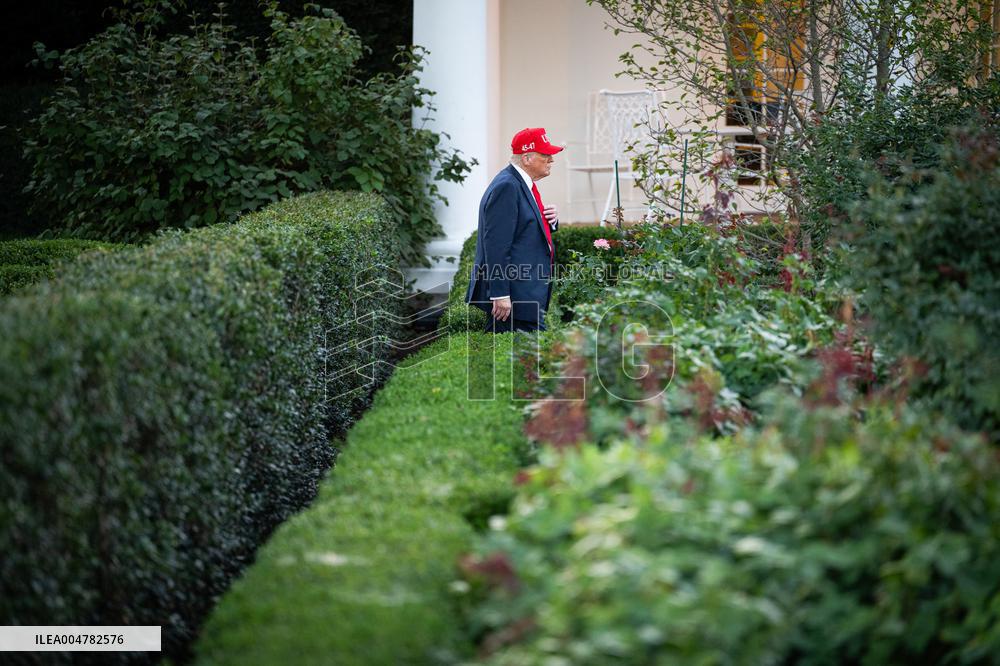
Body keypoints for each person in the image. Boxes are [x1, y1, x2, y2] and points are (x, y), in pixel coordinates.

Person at [465, 127, 563, 333]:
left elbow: (523, 231)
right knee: (522, 359)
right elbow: (496, 245)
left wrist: (550, 221)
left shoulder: (520, 183)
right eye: (545, 155)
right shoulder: (508, 186)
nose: (551, 160)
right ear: (526, 158)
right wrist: (500, 295)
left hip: (525, 294)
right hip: (516, 297)